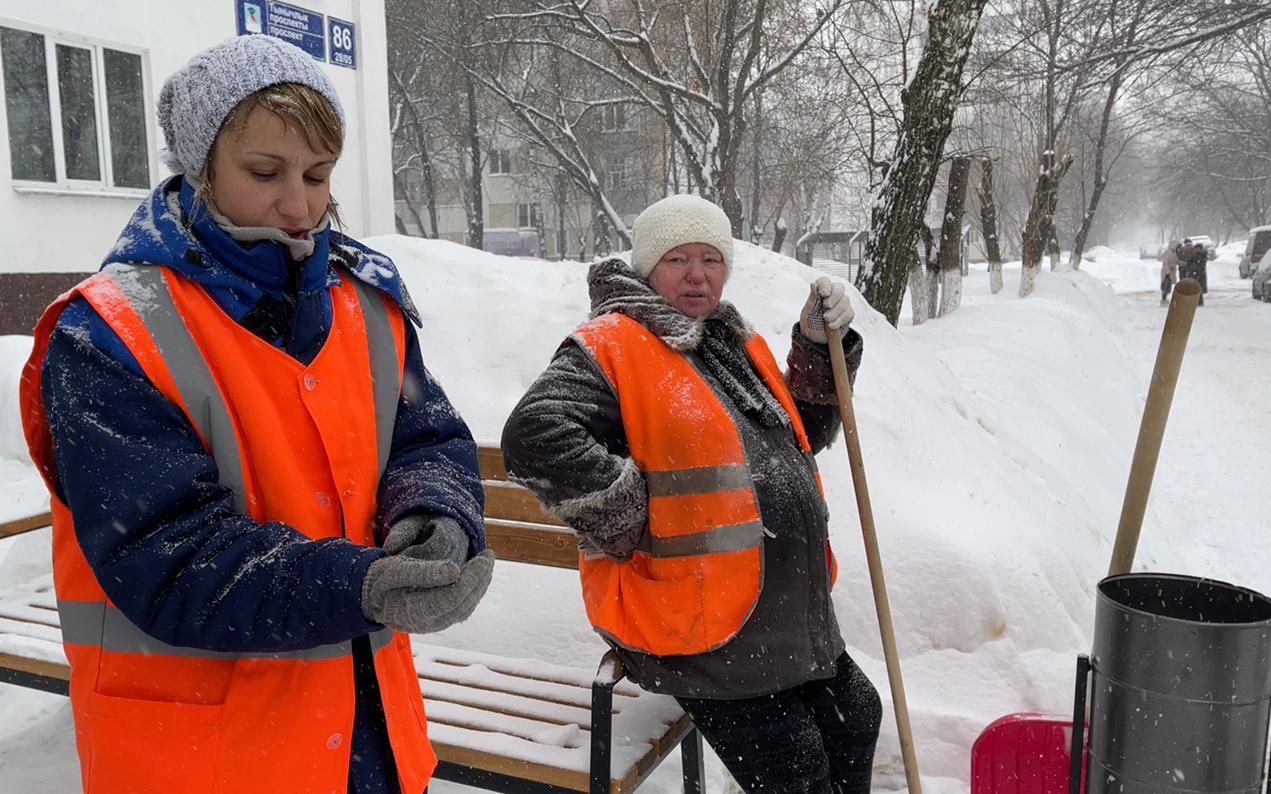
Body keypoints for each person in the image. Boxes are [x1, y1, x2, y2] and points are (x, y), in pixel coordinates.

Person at [19, 35, 493, 794]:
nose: (300, 205)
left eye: (318, 174)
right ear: (200, 168)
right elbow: (167, 554)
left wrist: (434, 514)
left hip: (369, 738)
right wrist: (357, 584)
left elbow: (426, 438)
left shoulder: (364, 302)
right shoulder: (108, 334)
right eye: (264, 173)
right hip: (204, 757)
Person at [501, 194, 883, 793]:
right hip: (698, 625)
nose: (698, 275)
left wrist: (813, 343)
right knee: (798, 770)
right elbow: (535, 435)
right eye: (679, 259)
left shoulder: (727, 340)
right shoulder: (614, 341)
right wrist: (630, 519)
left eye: (711, 258)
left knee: (857, 717)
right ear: (649, 268)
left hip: (781, 613)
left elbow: (807, 431)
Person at [1160, 238, 1180, 305]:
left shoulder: (1174, 253)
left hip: (1171, 272)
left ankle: (1164, 298)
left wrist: (1184, 263)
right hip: (1167, 273)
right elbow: (1165, 263)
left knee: (1168, 286)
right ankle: (1163, 299)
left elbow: (1177, 261)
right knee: (1166, 286)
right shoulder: (1168, 252)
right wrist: (1167, 272)